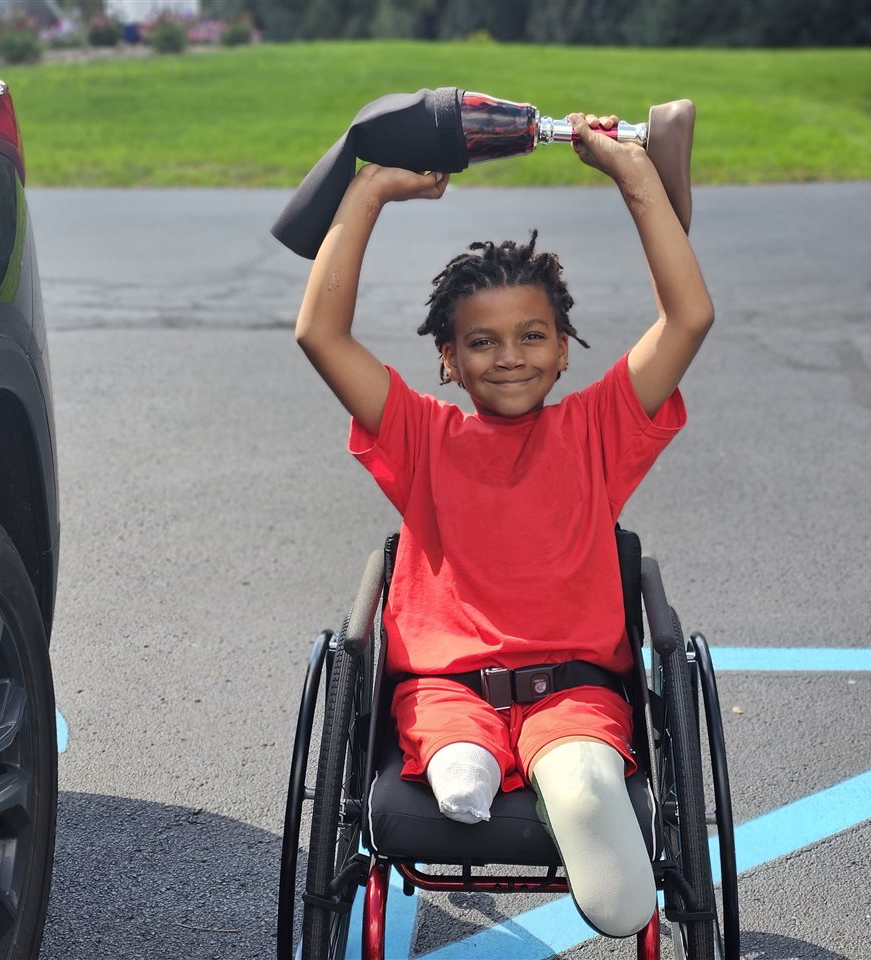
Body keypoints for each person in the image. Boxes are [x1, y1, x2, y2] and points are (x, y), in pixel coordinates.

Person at [294, 112, 713, 939]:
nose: (509, 355)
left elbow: (689, 317)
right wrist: (371, 191)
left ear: (565, 349)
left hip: (577, 693)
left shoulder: (599, 430)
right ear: (447, 359)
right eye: (481, 342)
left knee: (585, 769)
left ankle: (583, 795)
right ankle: (473, 767)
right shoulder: (421, 436)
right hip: (444, 691)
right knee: (457, 766)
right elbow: (320, 333)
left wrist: (636, 178)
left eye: (532, 336)